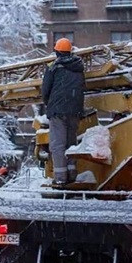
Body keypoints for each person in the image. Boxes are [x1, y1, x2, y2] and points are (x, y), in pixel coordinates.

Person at [41, 37, 86, 185]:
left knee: (58, 144)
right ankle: (72, 173)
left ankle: (60, 178)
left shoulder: (53, 67)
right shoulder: (79, 67)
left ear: (57, 52)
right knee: (71, 143)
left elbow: (45, 90)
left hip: (58, 111)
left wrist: (49, 104)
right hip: (75, 110)